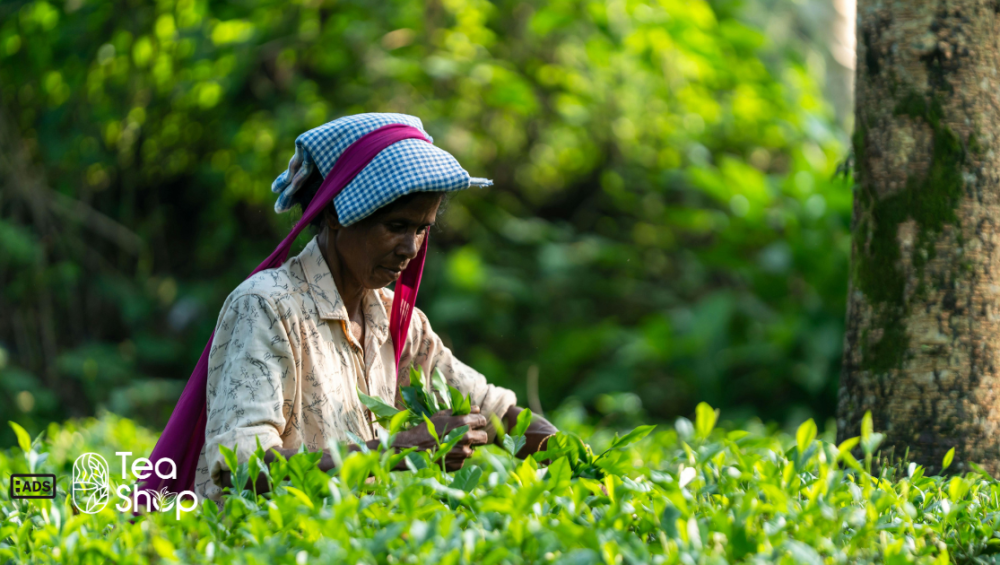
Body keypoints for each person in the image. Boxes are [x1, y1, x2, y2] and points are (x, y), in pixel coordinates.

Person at [182, 113, 558, 507]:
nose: (410, 249)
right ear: (336, 214)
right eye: (396, 226)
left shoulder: (394, 318)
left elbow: (498, 413)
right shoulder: (267, 307)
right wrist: (398, 449)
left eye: (421, 229)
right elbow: (248, 471)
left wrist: (583, 464)